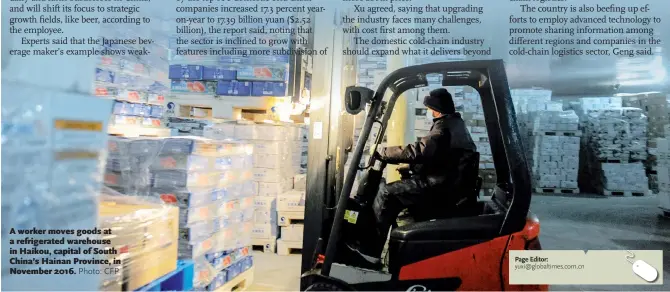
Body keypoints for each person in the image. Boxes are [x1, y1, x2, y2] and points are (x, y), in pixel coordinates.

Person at [365, 87, 478, 262]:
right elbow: (440, 158)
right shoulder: (453, 123)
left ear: (436, 109)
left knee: (386, 193)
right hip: (444, 182)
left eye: (428, 108)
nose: (428, 112)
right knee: (397, 196)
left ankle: (370, 252)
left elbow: (420, 151)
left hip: (439, 187)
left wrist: (382, 152)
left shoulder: (444, 128)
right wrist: (412, 169)